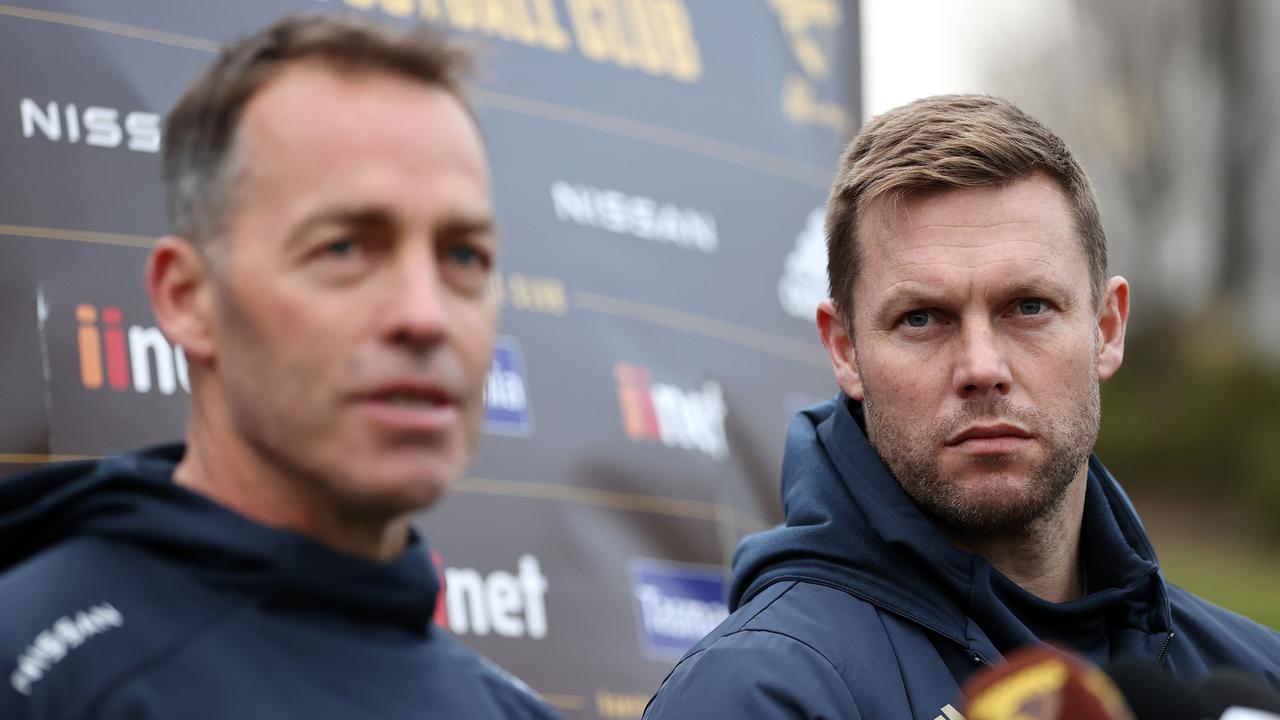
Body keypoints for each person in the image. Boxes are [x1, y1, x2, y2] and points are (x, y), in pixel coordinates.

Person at [644, 95, 1280, 719]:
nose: (982, 368)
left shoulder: (1256, 676)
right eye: (922, 318)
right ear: (845, 349)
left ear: (1107, 329)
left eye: (1029, 307)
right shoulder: (756, 696)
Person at [0, 15, 558, 720]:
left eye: (463, 256)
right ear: (188, 299)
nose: (425, 314)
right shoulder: (39, 672)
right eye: (346, 248)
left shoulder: (511, 711)